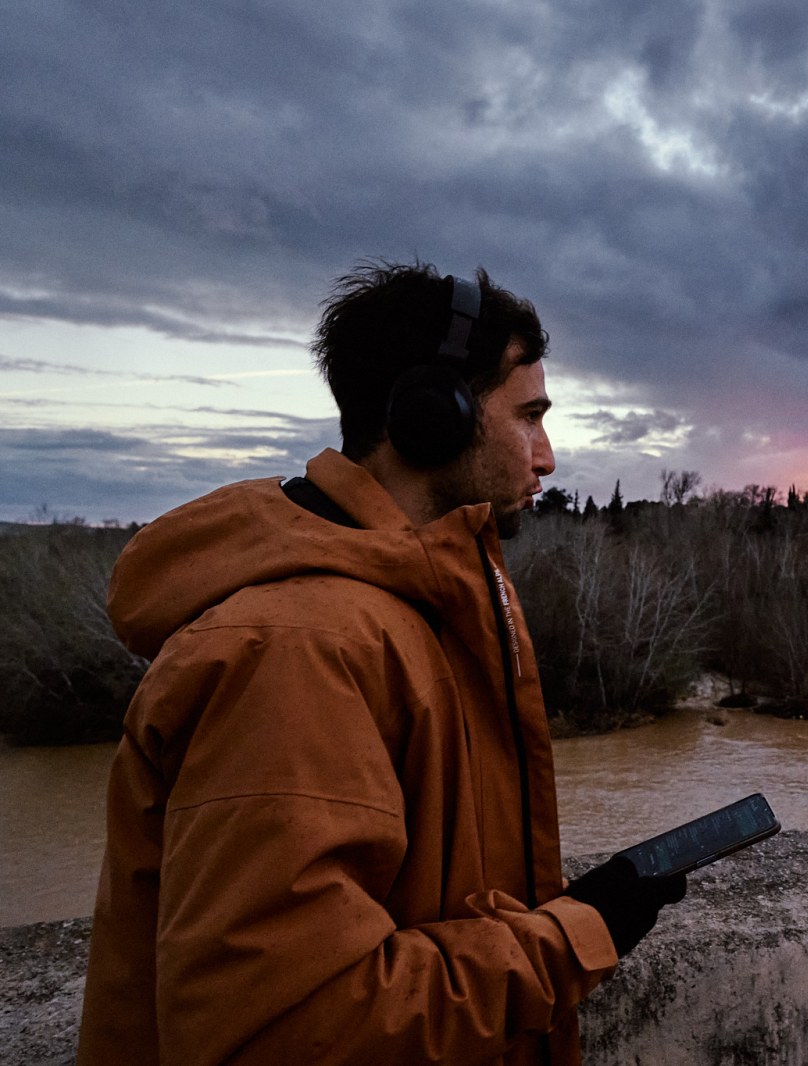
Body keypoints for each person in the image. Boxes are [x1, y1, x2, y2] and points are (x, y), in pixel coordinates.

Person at [78, 261, 685, 1065]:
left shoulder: (410, 611)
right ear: (433, 416)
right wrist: (567, 942)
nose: (546, 457)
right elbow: (289, 1029)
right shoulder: (295, 649)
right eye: (528, 417)